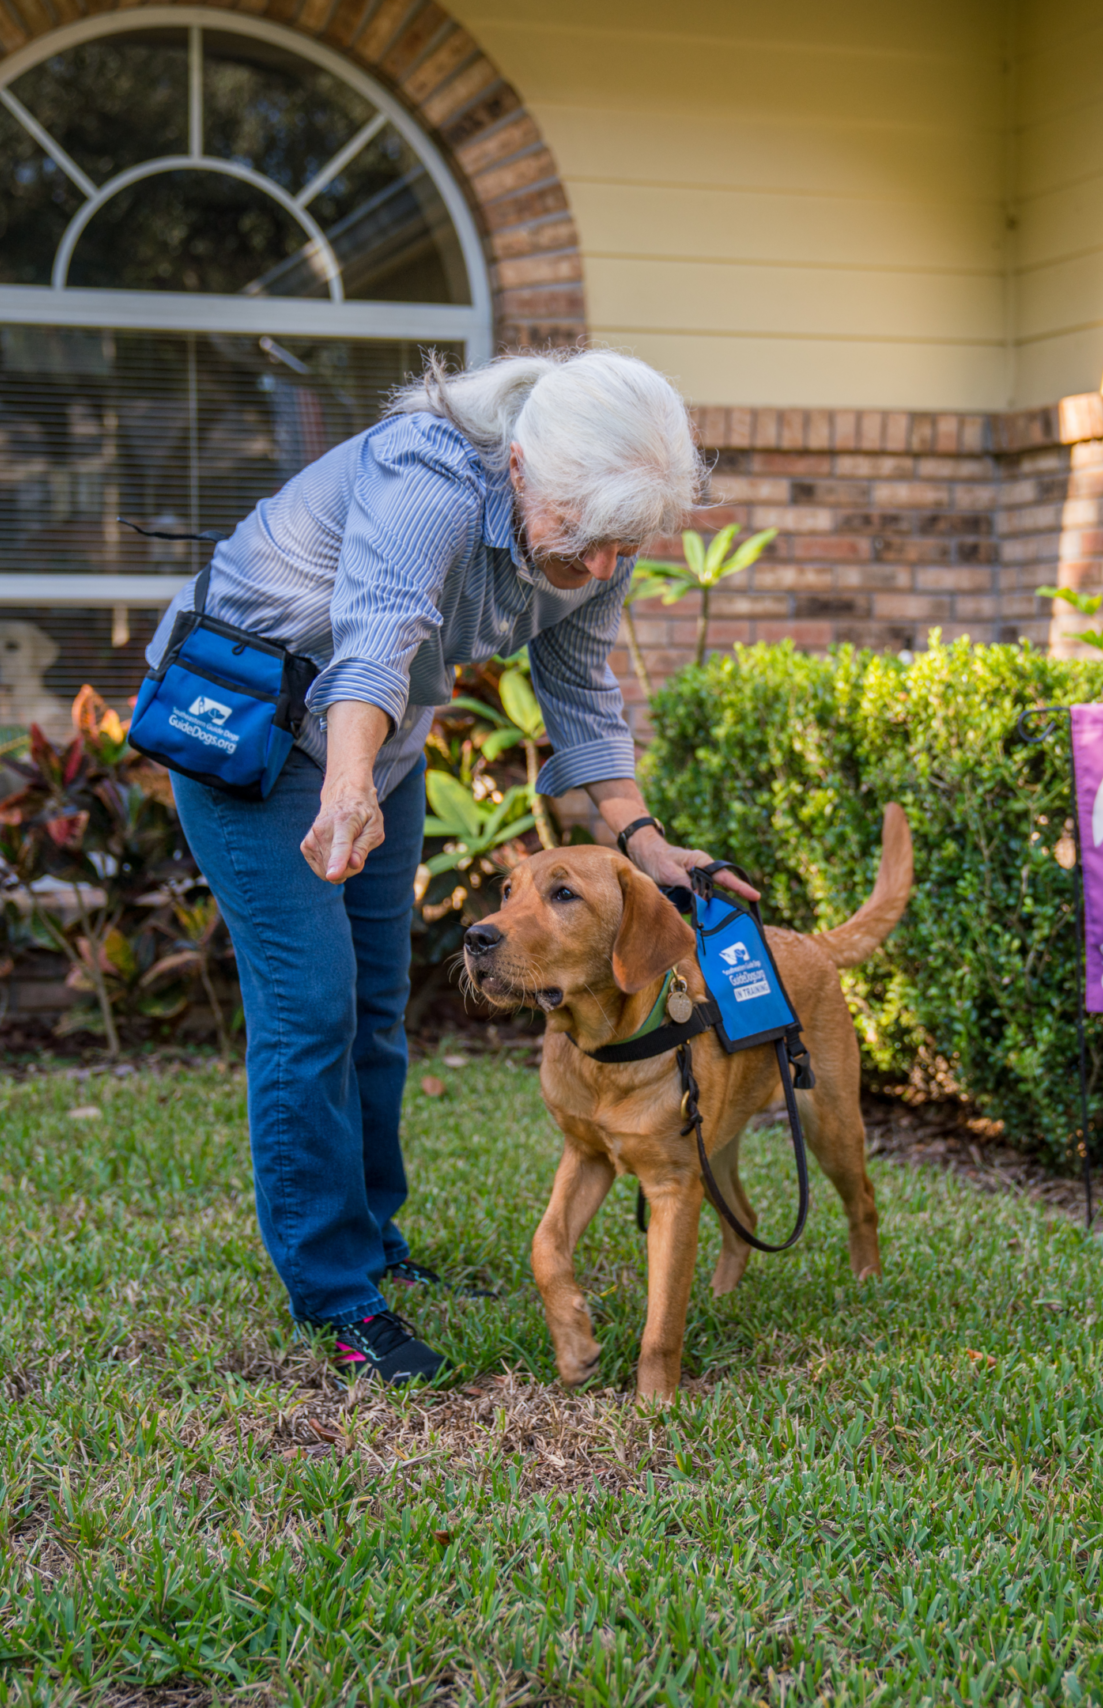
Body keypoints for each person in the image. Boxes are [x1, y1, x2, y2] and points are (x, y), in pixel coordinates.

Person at [148, 348, 750, 1384]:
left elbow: (580, 692)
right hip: (250, 737)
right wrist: (343, 787)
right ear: (519, 468)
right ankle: (335, 1294)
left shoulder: (590, 532)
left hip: (370, 748)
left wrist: (644, 841)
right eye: (589, 540)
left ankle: (375, 1244)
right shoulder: (426, 473)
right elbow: (374, 639)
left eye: (624, 545)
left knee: (378, 1002)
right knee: (312, 1005)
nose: (605, 567)